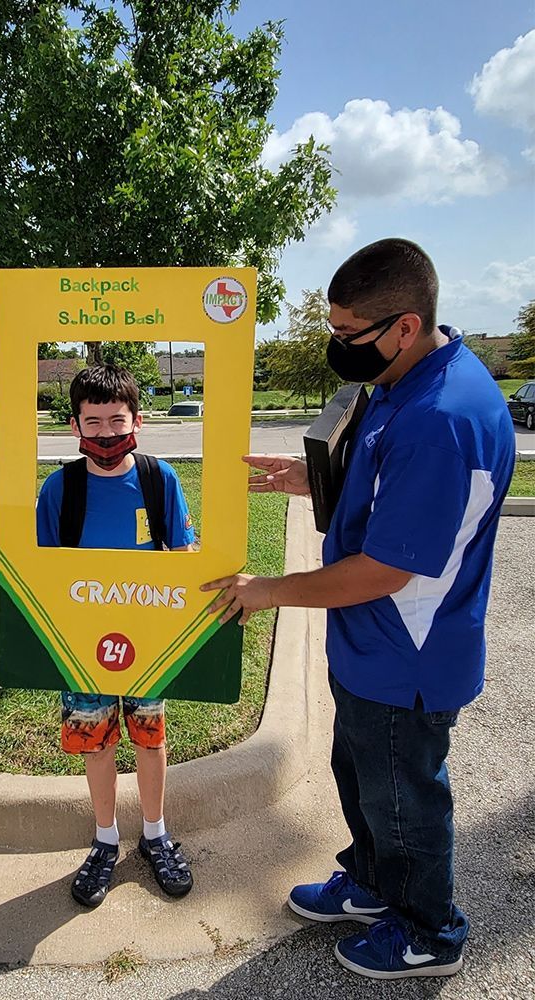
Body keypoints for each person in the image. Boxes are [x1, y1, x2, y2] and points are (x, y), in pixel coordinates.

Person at [202, 238, 515, 980]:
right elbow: (385, 493)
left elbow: (384, 570)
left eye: (349, 335)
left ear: (405, 325)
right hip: (370, 651)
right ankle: (373, 886)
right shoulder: (402, 380)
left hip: (408, 655)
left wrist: (270, 591)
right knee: (366, 778)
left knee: (406, 800)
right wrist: (311, 480)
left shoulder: (443, 416)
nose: (339, 348)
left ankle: (431, 932)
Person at [37, 364, 196, 908]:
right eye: (93, 422)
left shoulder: (159, 479)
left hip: (149, 643)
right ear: (75, 427)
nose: (106, 434)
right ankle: (105, 840)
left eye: (116, 420)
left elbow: (182, 552)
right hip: (83, 648)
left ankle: (154, 833)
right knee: (96, 743)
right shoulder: (60, 489)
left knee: (150, 738)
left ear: (138, 421)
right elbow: (44, 573)